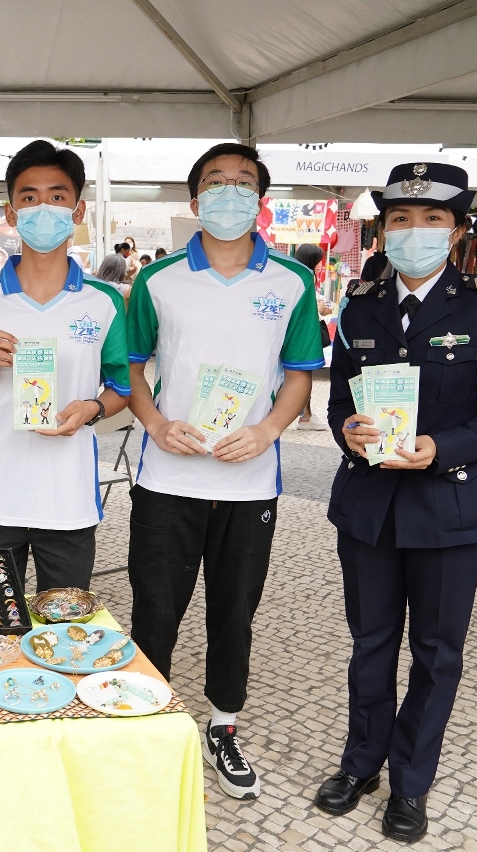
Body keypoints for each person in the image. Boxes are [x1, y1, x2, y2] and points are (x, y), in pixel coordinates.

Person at [311, 163, 477, 842]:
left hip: (451, 508)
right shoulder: (360, 304)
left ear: (457, 230)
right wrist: (348, 432)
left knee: (436, 653)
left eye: (432, 219)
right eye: (401, 220)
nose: (415, 231)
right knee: (370, 643)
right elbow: (340, 401)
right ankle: (361, 763)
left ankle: (411, 782)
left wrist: (441, 446)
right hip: (369, 506)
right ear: (384, 230)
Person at [125, 142, 323, 801]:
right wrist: (156, 424)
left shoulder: (291, 282)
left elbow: (299, 374)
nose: (229, 193)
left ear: (260, 201)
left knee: (234, 611)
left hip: (249, 481)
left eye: (243, 183)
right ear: (195, 200)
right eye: (216, 182)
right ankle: (146, 724)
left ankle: (222, 726)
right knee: (156, 608)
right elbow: (132, 367)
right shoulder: (158, 281)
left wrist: (268, 430)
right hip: (168, 478)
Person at [0, 140, 130, 591]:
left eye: (57, 196)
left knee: (65, 624)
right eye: (29, 197)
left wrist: (91, 409)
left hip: (68, 498)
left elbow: (122, 388)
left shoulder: (104, 301)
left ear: (78, 210)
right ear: (11, 214)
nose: (43, 208)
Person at [291, 244, 329, 431]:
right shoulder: (305, 276)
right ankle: (306, 416)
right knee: (302, 374)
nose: (320, 265)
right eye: (318, 261)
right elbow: (302, 308)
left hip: (297, 334)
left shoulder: (294, 275)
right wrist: (318, 309)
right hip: (302, 336)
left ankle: (306, 415)